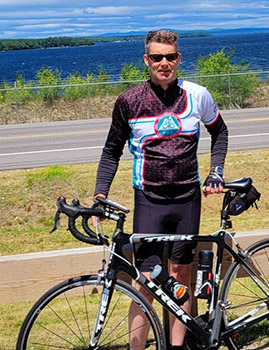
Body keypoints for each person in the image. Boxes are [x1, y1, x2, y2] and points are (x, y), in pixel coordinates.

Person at [93, 29, 228, 350]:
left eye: (170, 57)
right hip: (149, 201)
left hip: (187, 200)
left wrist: (216, 171)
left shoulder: (198, 95)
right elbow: (111, 151)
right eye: (157, 57)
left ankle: (178, 347)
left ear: (178, 59)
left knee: (181, 274)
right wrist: (100, 194)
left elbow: (220, 133)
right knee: (145, 282)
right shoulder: (129, 101)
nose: (164, 63)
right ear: (146, 60)